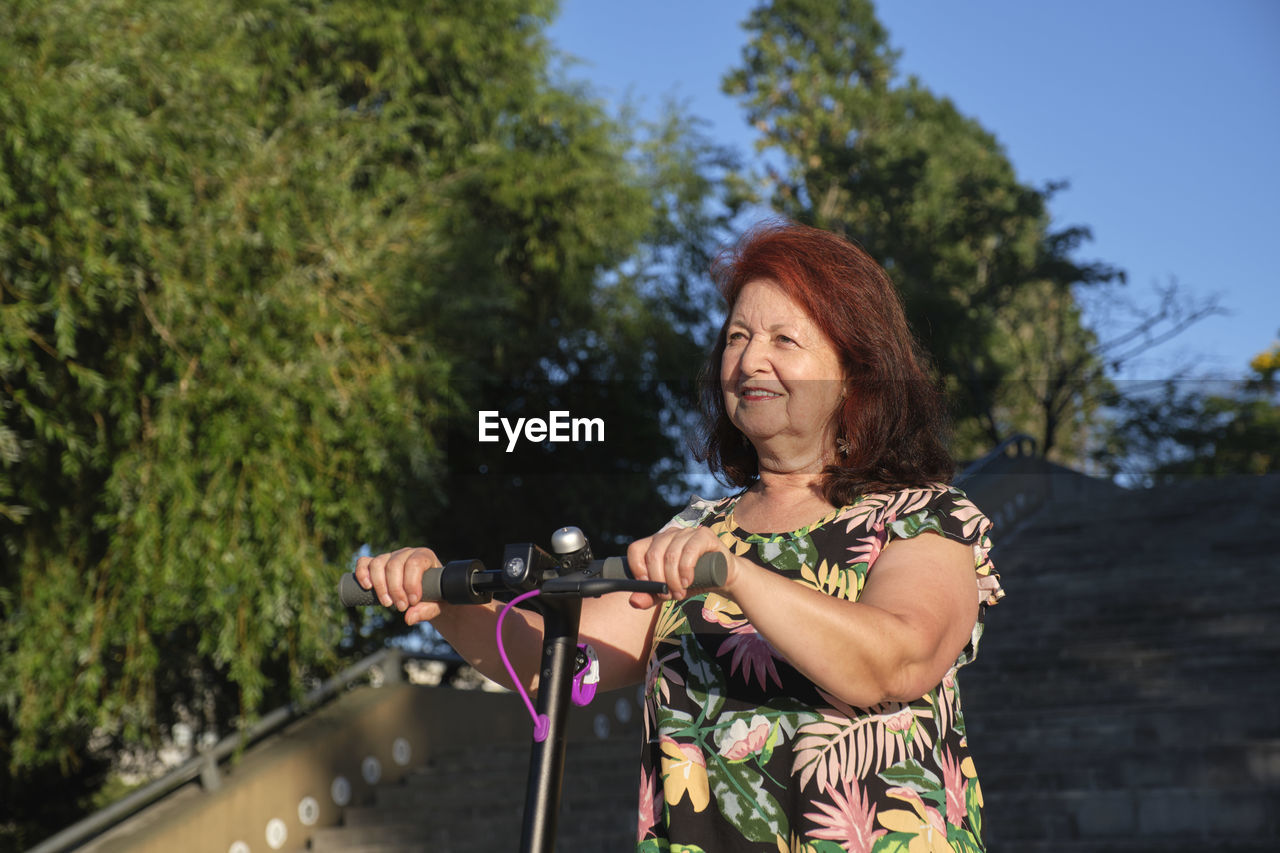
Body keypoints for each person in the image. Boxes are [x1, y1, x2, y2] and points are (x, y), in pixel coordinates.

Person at [356, 220, 1005, 852]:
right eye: (738, 336)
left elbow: (898, 660)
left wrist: (741, 574)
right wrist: (443, 602)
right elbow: (561, 658)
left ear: (854, 371)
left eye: (785, 339)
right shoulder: (695, 531)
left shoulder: (925, 516)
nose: (750, 358)